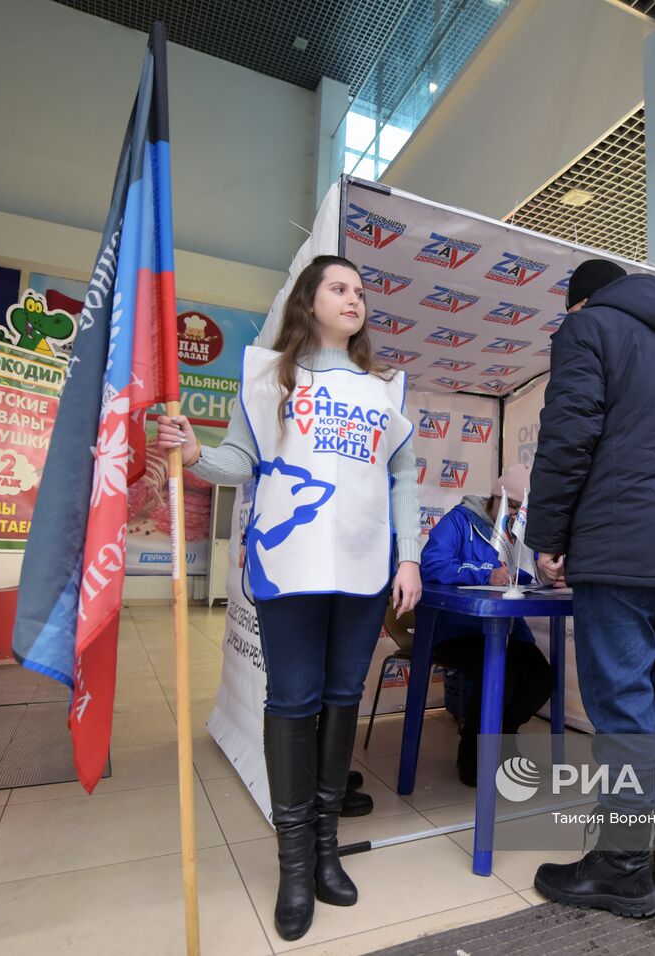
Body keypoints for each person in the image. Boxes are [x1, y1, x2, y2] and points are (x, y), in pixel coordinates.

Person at [155, 255, 421, 941]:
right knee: (292, 704)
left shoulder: (384, 390)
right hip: (289, 570)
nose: (353, 299)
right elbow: (239, 464)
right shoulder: (268, 378)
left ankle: (327, 852)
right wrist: (193, 455)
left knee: (340, 702)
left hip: (363, 576)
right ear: (309, 300)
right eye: (339, 288)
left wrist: (412, 556)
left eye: (360, 292)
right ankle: (294, 866)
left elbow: (403, 481)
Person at [525, 259, 655, 917]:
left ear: (581, 303)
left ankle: (622, 865)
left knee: (624, 699)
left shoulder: (587, 331)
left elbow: (567, 438)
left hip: (616, 543)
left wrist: (547, 533)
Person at [418, 465, 554, 786]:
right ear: (496, 498)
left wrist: (534, 577)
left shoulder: (519, 533)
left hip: (506, 631)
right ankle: (473, 758)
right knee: (501, 675)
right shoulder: (459, 521)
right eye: (515, 508)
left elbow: (520, 575)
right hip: (458, 632)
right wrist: (484, 572)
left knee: (540, 679)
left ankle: (503, 740)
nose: (518, 517)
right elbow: (433, 564)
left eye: (525, 512)